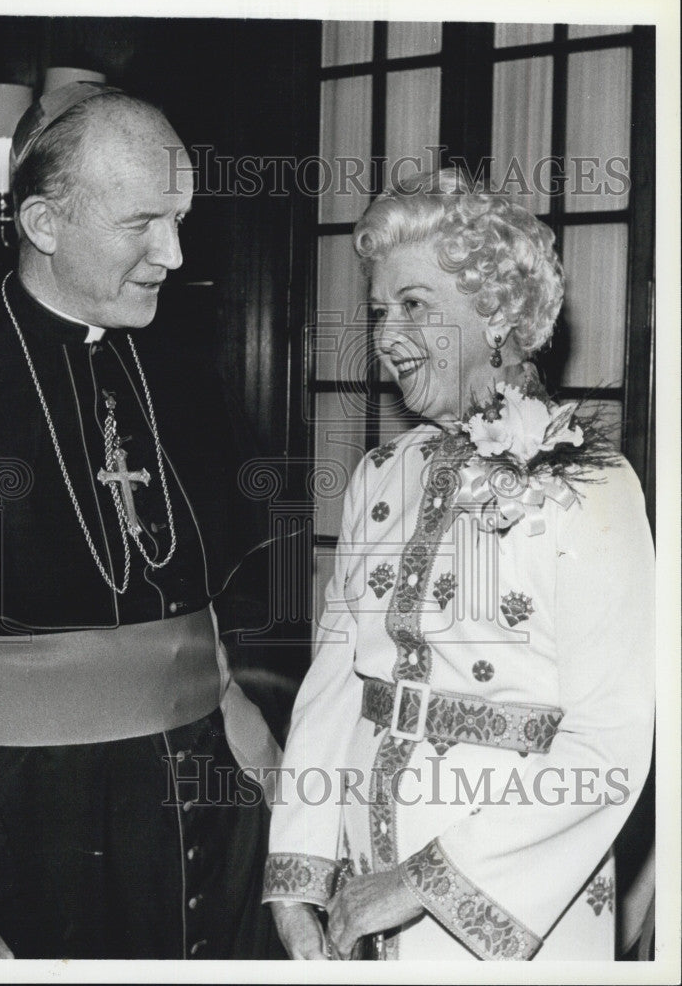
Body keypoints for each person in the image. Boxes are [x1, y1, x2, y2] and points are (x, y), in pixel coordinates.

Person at [0, 82, 283, 960]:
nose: (174, 252)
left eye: (182, 217)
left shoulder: (183, 366)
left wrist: (250, 737)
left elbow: (197, 605)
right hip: (30, 824)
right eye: (143, 223)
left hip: (204, 792)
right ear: (44, 225)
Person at [263, 169, 655, 960]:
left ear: (498, 316)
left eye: (414, 306)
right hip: (359, 882)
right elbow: (336, 682)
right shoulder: (379, 476)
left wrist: (420, 883)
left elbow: (611, 741)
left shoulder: (592, 486)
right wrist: (298, 878)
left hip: (507, 901)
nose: (384, 336)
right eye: (380, 310)